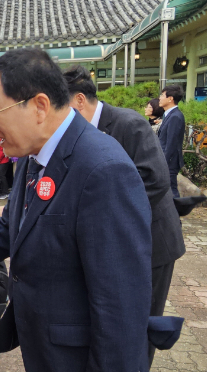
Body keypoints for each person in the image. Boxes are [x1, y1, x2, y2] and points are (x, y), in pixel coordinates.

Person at [0, 49, 152, 371]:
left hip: (76, 355)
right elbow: (11, 225)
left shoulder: (103, 170)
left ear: (40, 106)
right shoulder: (35, 153)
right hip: (41, 344)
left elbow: (121, 306)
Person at [64, 65, 186, 365]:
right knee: (115, 319)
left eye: (58, 103)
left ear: (79, 100)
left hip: (151, 244)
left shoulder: (128, 124)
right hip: (114, 243)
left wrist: (94, 213)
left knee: (142, 322)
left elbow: (154, 183)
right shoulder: (75, 132)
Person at [158, 85, 186, 198]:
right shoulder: (169, 115)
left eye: (162, 95)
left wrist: (163, 162)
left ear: (170, 99)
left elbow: (171, 143)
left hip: (169, 161)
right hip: (167, 160)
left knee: (171, 190)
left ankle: (176, 213)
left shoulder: (175, 116)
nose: (159, 98)